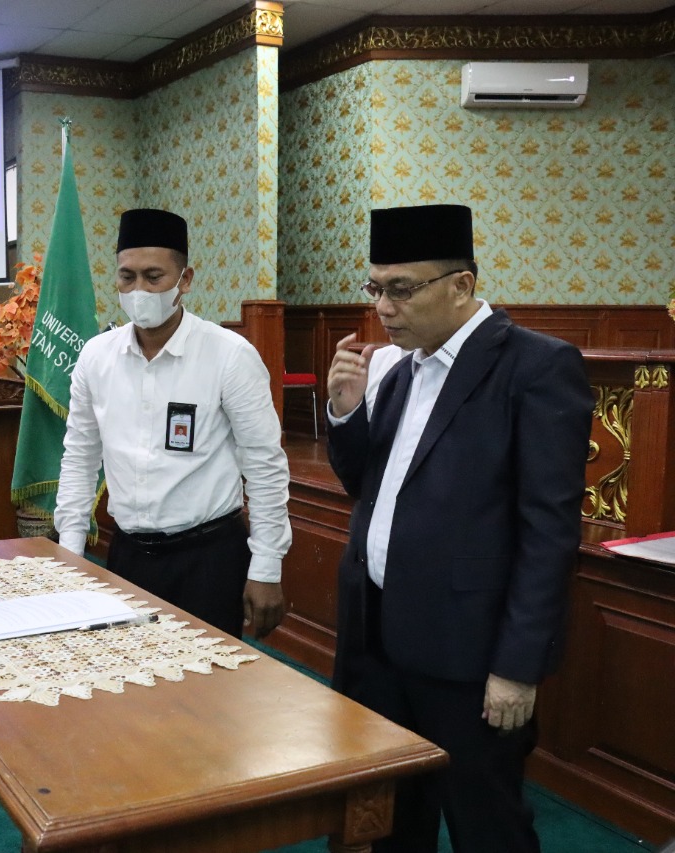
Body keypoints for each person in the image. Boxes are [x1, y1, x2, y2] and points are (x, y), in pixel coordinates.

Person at [325, 203, 593, 853]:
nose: (383, 307)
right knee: (391, 821)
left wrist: (517, 666)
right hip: (377, 640)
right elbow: (368, 487)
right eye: (375, 288)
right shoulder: (399, 370)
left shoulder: (535, 367)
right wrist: (345, 411)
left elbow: (549, 533)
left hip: (468, 658)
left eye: (401, 288)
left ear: (461, 285)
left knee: (486, 825)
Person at [53, 207, 293, 640]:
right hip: (127, 555)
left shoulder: (229, 356)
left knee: (210, 679)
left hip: (208, 559)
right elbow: (80, 457)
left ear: (185, 280)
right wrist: (70, 550)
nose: (139, 291)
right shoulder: (96, 356)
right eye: (127, 277)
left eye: (153, 277)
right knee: (124, 673)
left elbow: (265, 465)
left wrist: (266, 566)